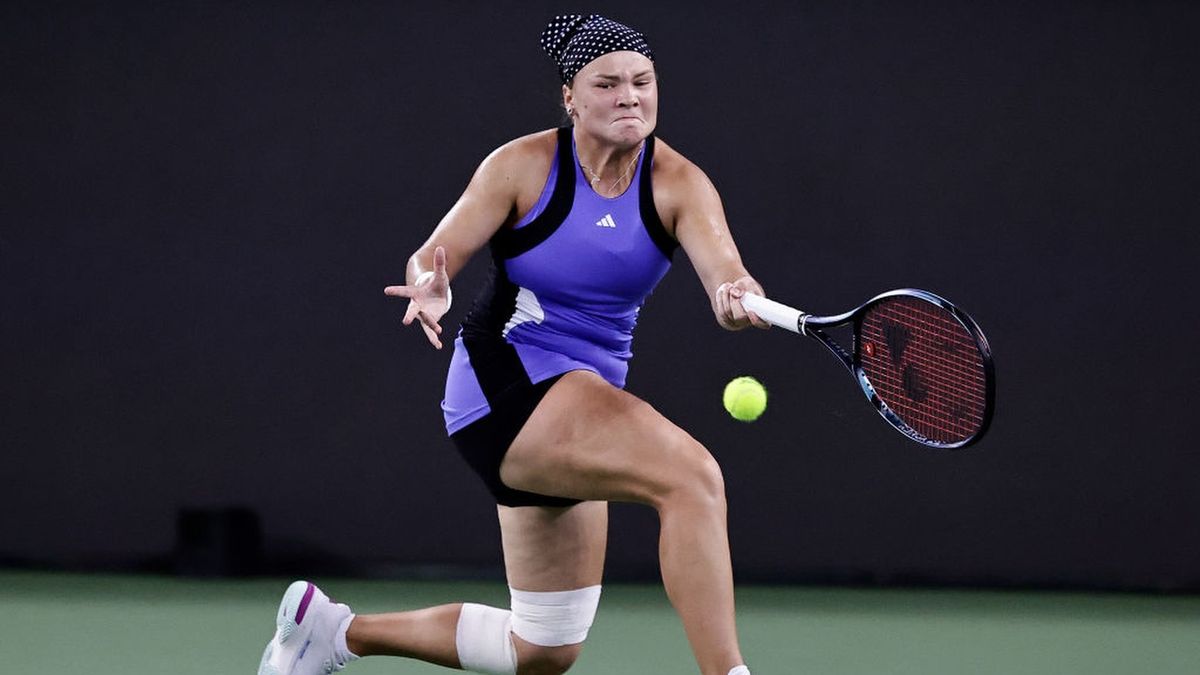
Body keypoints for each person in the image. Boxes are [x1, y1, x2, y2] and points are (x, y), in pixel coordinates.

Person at [257, 14, 768, 675]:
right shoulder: (521, 166)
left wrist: (736, 296)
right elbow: (430, 259)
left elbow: (726, 278)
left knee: (542, 649)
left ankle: (332, 633)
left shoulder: (680, 184)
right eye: (607, 84)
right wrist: (429, 287)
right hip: (505, 385)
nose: (630, 97)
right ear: (570, 97)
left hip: (578, 411)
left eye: (642, 82)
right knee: (693, 478)